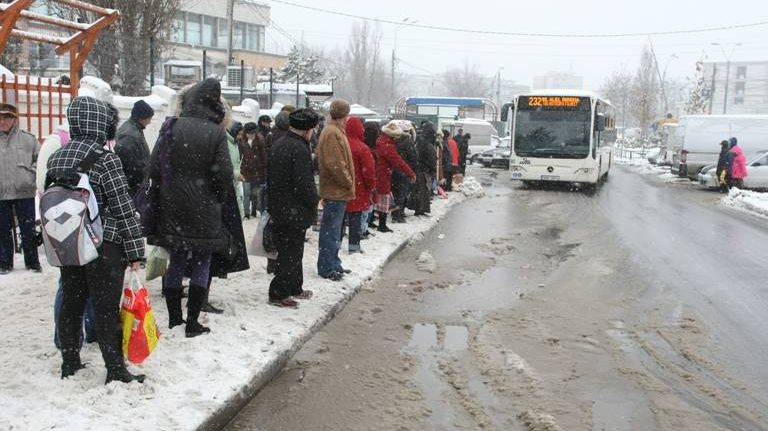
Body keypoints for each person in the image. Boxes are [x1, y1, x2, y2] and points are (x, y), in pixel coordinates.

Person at [47, 96, 145, 384]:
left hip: (70, 242)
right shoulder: (106, 158)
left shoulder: (57, 157)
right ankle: (115, 370)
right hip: (104, 246)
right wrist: (135, 250)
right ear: (102, 123)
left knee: (71, 303)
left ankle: (70, 362)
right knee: (105, 309)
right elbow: (122, 207)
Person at [147, 78, 233, 338]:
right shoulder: (217, 132)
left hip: (173, 207)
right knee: (202, 262)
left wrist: (169, 190)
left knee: (177, 261)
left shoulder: (171, 126)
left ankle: (175, 319)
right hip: (205, 209)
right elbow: (225, 174)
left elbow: (153, 167)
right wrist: (214, 195)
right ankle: (193, 321)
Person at [267, 108, 321, 308]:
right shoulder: (299, 149)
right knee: (290, 252)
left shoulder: (280, 143)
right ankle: (279, 292)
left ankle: (294, 287)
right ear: (308, 130)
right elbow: (304, 183)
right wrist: (313, 200)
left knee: (291, 250)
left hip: (280, 206)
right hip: (293, 209)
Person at [316, 99, 355, 281]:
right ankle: (327, 266)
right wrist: (348, 182)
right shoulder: (332, 133)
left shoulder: (334, 131)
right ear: (343, 115)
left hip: (336, 190)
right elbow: (335, 164)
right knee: (331, 231)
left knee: (334, 230)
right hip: (335, 190)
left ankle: (333, 262)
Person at [0, 103, 41, 274]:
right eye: (0, 118)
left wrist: (30, 175)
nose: (2, 121)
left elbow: (39, 160)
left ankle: (32, 263)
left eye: (6, 118)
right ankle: (4, 263)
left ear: (13, 119)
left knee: (28, 229)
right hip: (1, 193)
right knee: (2, 230)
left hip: (24, 191)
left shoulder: (28, 139)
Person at [375, 121, 416, 233]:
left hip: (381, 174)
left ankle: (380, 223)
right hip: (383, 175)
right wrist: (411, 173)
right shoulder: (387, 145)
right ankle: (382, 225)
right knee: (384, 200)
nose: (397, 138)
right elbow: (398, 161)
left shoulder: (381, 141)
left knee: (382, 200)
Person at [345, 117, 376, 254]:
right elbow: (368, 171)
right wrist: (371, 186)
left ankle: (337, 242)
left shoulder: (342, 144)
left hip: (342, 187)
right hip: (359, 188)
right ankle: (354, 245)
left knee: (340, 219)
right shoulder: (362, 148)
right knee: (355, 218)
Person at [115, 100, 154, 198]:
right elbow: (129, 163)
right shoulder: (130, 135)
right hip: (131, 187)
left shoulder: (133, 129)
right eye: (149, 118)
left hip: (133, 185)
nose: (150, 122)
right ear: (141, 118)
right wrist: (143, 174)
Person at [239, 122, 268, 219]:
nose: (251, 135)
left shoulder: (260, 141)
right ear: (245, 133)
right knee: (246, 193)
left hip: (257, 171)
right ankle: (247, 213)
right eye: (249, 133)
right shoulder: (241, 141)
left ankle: (254, 211)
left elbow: (264, 158)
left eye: (253, 133)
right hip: (246, 171)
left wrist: (263, 168)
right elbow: (239, 156)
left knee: (254, 193)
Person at [392, 125, 418, 223]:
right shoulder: (408, 141)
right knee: (402, 193)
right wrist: (413, 169)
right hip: (405, 170)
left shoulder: (395, 141)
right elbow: (413, 157)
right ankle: (398, 214)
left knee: (395, 193)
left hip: (394, 170)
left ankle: (395, 212)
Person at [414, 122, 437, 215]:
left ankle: (420, 208)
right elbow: (430, 156)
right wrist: (432, 167)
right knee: (424, 190)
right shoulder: (426, 142)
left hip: (421, 168)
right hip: (424, 169)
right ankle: (421, 209)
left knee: (420, 189)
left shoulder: (420, 140)